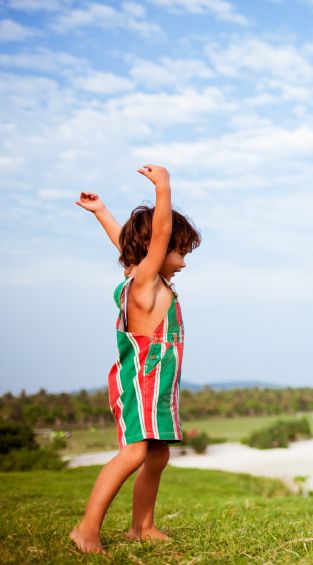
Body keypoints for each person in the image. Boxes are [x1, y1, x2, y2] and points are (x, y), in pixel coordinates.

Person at [70, 165, 201, 553]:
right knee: (135, 453)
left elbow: (127, 246)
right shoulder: (144, 285)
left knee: (157, 454)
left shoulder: (144, 278)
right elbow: (156, 235)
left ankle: (141, 526)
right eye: (179, 251)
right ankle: (86, 529)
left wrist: (102, 214)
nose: (183, 260)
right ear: (156, 251)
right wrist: (164, 187)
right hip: (141, 383)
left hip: (159, 388)